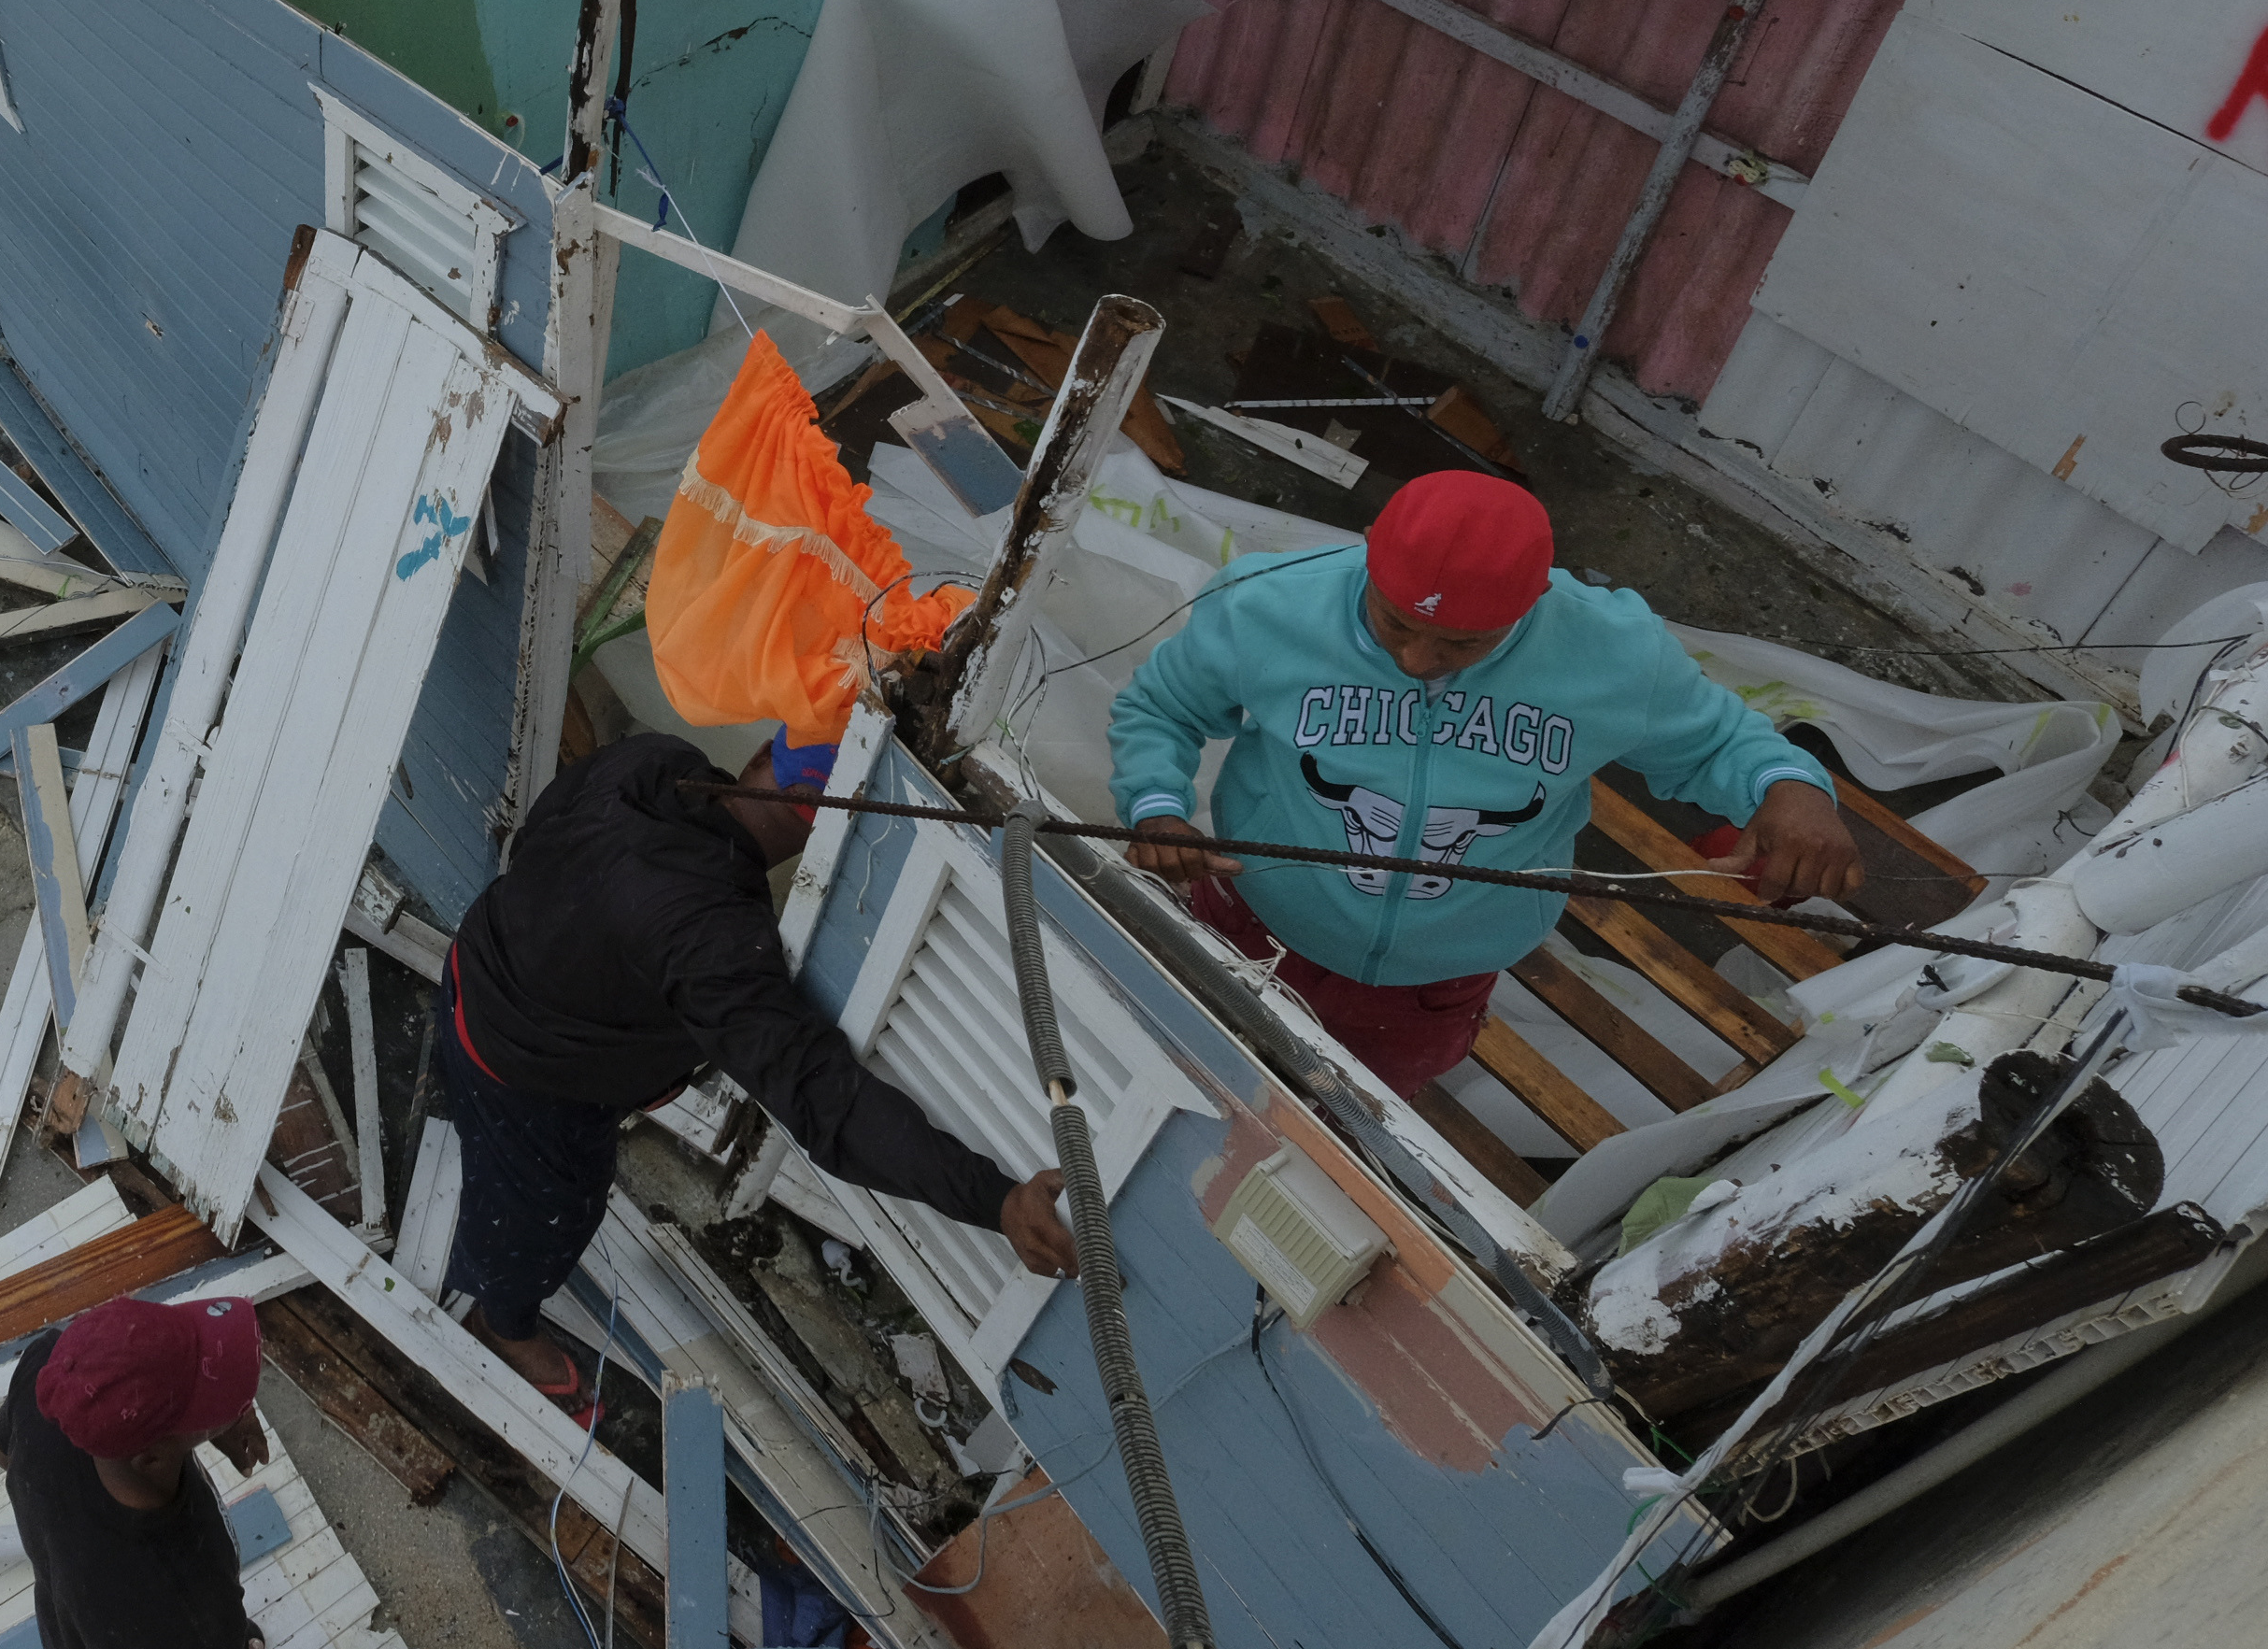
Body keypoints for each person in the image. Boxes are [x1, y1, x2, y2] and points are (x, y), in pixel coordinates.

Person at [1108, 470, 1860, 1096]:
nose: (1416, 660)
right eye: (1393, 622)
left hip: (1436, 977)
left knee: (1351, 1110)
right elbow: (1161, 708)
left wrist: (1793, 787)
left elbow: (1722, 741)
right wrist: (1155, 808)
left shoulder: (1614, 651)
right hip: (1255, 921)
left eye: (1462, 644)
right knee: (1177, 1069)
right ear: (1369, 560)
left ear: (1535, 602)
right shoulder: (1265, 602)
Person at [441, 730, 1080, 1417]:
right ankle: (502, 1325)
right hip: (524, 1064)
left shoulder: (652, 761)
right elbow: (823, 1100)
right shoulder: (718, 941)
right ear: (819, 821)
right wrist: (994, 1198)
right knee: (547, 1213)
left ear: (756, 757)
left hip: (484, 952)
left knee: (540, 1167)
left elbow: (541, 830)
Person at [0, 1293, 340, 1649]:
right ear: (151, 1457)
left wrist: (218, 1418)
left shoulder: (57, 1371)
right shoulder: (185, 1615)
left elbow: (1, 1451)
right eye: (203, 1395)